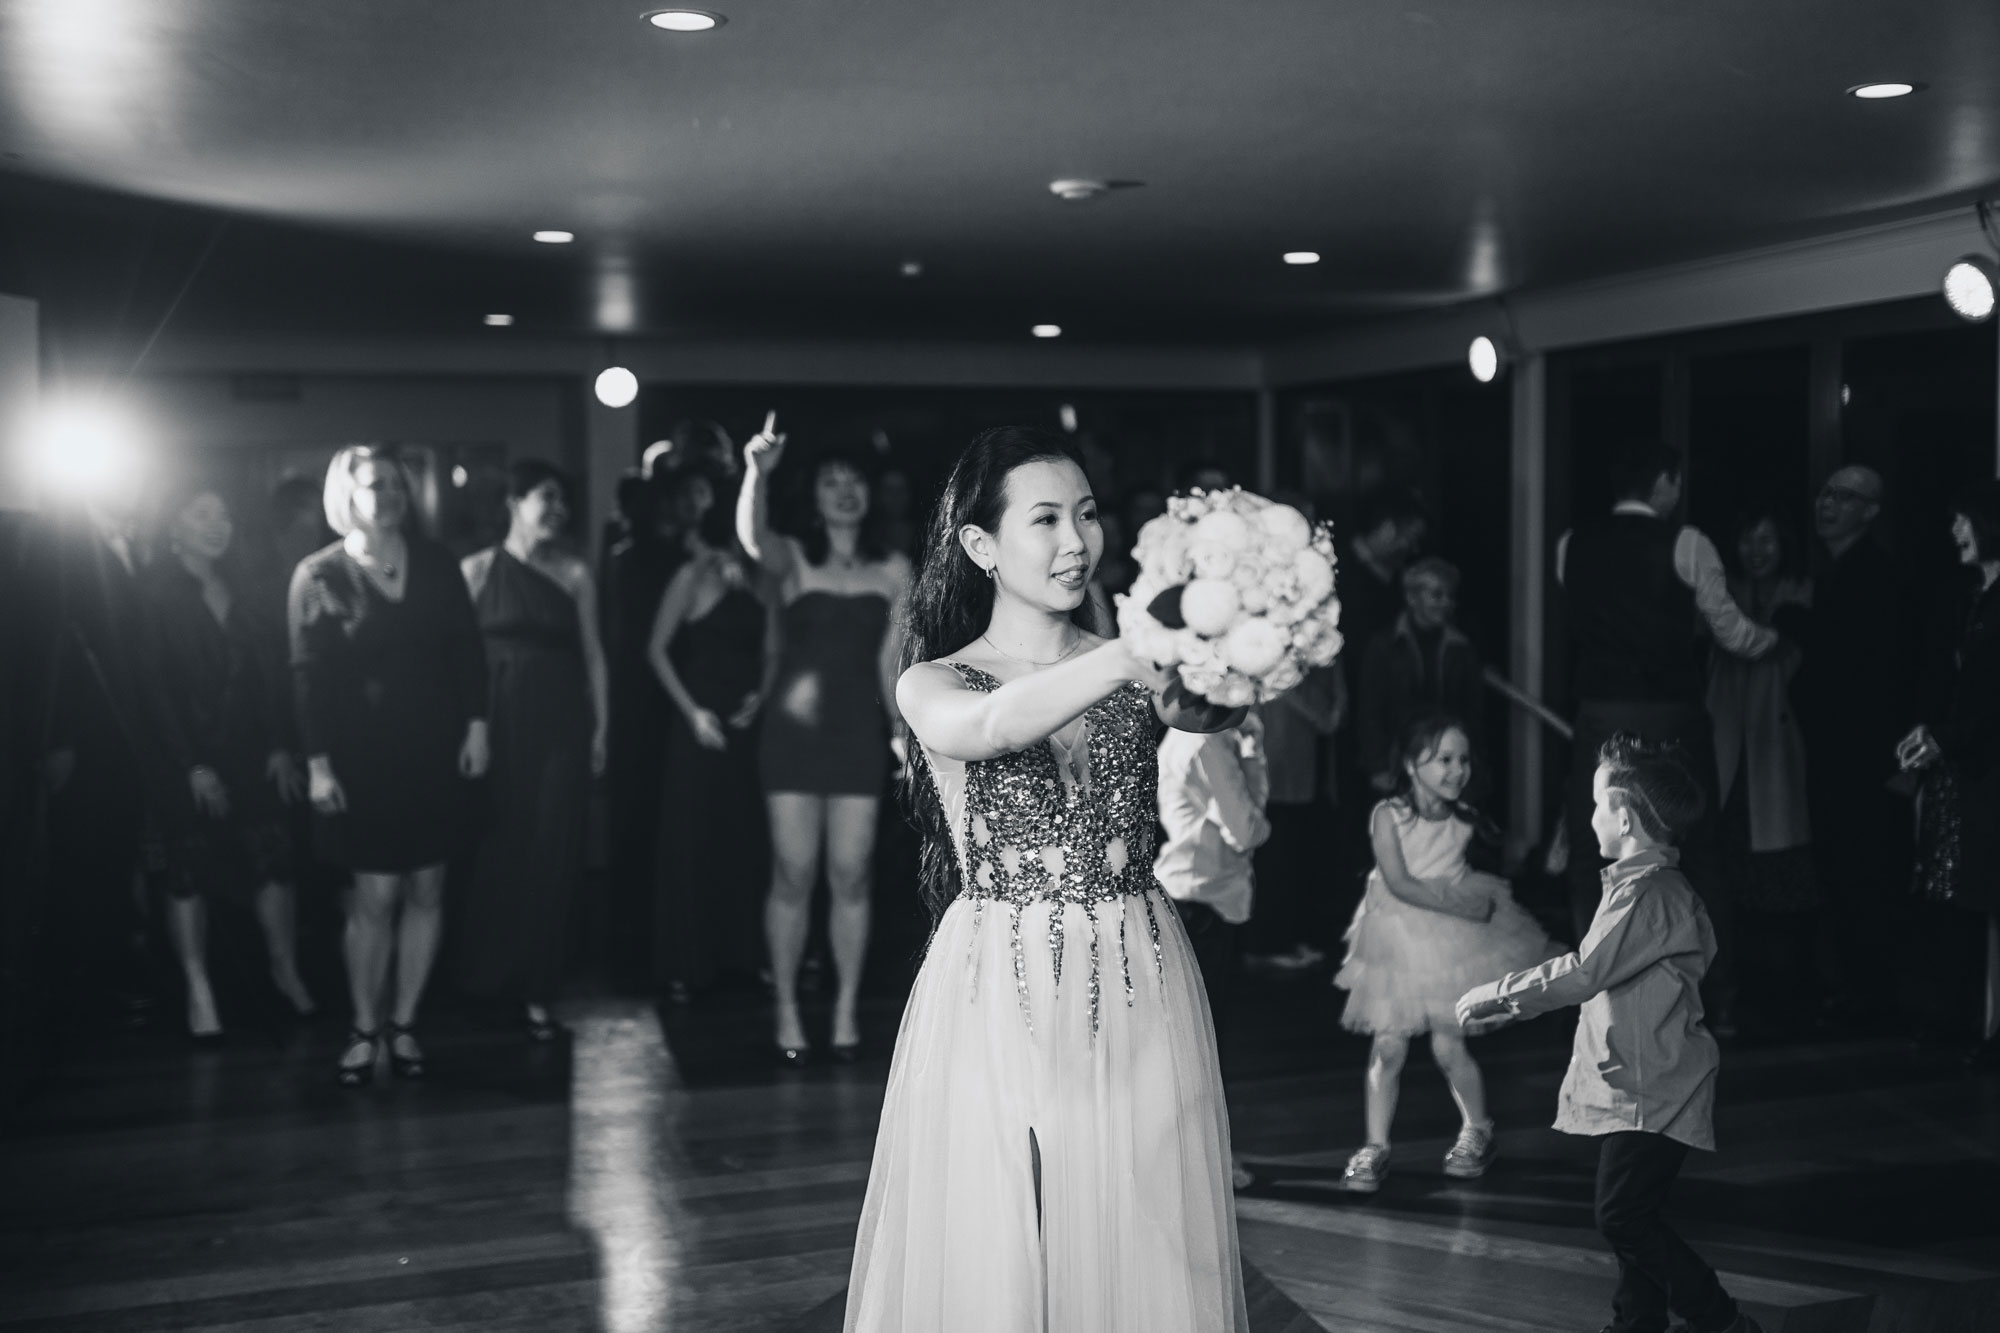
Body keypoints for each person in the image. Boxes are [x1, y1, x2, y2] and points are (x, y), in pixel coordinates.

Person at [845, 425, 1248, 1331]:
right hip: (1001, 975)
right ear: (981, 545)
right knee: (1001, 1220)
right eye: (1047, 519)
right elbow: (992, 729)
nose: (1077, 540)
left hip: (1138, 960)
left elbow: (1215, 703)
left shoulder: (1141, 672)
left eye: (1089, 514)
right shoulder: (933, 679)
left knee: (1140, 1213)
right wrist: (1129, 648)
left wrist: (1250, 631)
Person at [1457, 736, 1763, 1333]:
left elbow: (1584, 971)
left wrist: (1498, 994)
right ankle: (1637, 1323)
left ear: (1623, 819)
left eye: (1598, 804)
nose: (1590, 815)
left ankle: (1722, 1321)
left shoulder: (1648, 894)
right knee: (1634, 1213)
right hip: (1643, 1082)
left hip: (1654, 1091)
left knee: (1622, 1216)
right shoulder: (1644, 889)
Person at [1557, 440, 1776, 1032]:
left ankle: (1600, 995)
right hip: (1670, 717)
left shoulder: (1570, 547)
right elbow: (1729, 629)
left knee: (1590, 854)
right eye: (1676, 482)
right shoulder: (1688, 542)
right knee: (1694, 853)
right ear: (1664, 483)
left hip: (1598, 713)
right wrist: (1774, 641)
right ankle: (1714, 999)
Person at [289, 445, 489, 1086]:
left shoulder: (436, 564)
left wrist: (478, 726)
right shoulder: (317, 574)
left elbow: (466, 649)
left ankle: (404, 1025)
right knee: (375, 896)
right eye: (379, 484)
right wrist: (317, 763)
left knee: (429, 889)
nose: (393, 495)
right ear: (347, 495)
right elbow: (307, 679)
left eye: (399, 485)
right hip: (361, 757)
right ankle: (363, 1025)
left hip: (436, 749)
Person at [736, 415, 909, 1061]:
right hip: (792, 734)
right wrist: (757, 471)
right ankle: (785, 1006)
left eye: (854, 481)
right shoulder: (792, 556)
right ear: (813, 494)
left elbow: (892, 664)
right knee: (793, 870)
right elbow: (752, 538)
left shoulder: (894, 568)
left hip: (858, 733)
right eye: (831, 481)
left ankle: (842, 1010)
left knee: (853, 872)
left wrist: (900, 734)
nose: (844, 491)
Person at [1333, 715, 1555, 1192]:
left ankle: (1478, 1128)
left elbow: (1483, 874)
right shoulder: (1388, 814)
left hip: (1450, 944)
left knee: (1448, 1044)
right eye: (1443, 760)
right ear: (1412, 765)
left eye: (1463, 760)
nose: (1457, 770)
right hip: (1397, 938)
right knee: (1388, 1045)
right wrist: (1463, 905)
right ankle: (1375, 1145)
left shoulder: (1467, 820)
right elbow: (1399, 883)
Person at [141, 482, 314, 1040]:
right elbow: (153, 689)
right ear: (174, 527)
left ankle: (284, 970)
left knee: (274, 861)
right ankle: (198, 988)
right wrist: (190, 764)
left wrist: (279, 745)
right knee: (187, 871)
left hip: (252, 750)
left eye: (225, 515)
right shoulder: (152, 593)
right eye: (202, 514)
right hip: (183, 755)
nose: (219, 525)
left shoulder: (250, 588)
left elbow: (273, 675)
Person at [455, 461, 606, 1041]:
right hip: (495, 724)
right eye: (547, 496)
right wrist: (466, 728)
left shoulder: (573, 573)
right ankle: (484, 981)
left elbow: (594, 656)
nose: (558, 510)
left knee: (550, 851)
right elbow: (458, 661)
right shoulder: (474, 571)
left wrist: (600, 730)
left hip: (560, 728)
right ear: (515, 502)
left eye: (563, 500)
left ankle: (538, 992)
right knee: (496, 848)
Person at [647, 462, 780, 1001]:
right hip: (699, 722)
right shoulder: (691, 576)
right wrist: (693, 713)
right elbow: (655, 651)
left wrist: (763, 695)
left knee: (745, 839)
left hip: (746, 719)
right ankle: (686, 963)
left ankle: (744, 957)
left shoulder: (763, 579)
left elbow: (773, 648)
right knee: (693, 838)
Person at [1791, 465, 1914, 1028]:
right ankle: (1856, 990)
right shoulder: (1836, 573)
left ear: (1870, 511)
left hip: (1865, 757)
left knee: (1865, 874)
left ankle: (1875, 997)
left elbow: (1883, 676)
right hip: (1837, 753)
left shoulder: (1878, 577)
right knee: (1841, 871)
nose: (1827, 503)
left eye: (1844, 496)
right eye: (1825, 493)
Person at [1898, 478, 2000, 1068]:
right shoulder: (1967, 594)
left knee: (1980, 894)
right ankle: (1957, 1020)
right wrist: (1928, 730)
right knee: (1951, 895)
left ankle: (1979, 1026)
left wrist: (1947, 736)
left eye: (1965, 520)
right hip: (1959, 767)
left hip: (1984, 766)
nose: (1956, 531)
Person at [1705, 510, 1818, 1038]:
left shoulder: (1801, 593)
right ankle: (1737, 991)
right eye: (1747, 537)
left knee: (1780, 873)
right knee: (1731, 870)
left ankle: (1785, 996)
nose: (1756, 548)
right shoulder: (1720, 596)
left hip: (1778, 743)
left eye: (1767, 537)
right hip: (1729, 745)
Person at [602, 467, 692, 989]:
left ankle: (638, 949)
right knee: (651, 821)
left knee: (646, 822)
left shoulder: (632, 557)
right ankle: (648, 949)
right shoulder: (652, 560)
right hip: (651, 698)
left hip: (645, 697)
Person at [1357, 555, 1487, 794]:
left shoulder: (1461, 648)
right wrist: (1378, 766)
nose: (1446, 603)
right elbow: (1370, 710)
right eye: (1437, 595)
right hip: (1398, 762)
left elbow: (1472, 712)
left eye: (1450, 596)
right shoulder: (1384, 646)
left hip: (1447, 764)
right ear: (1412, 598)